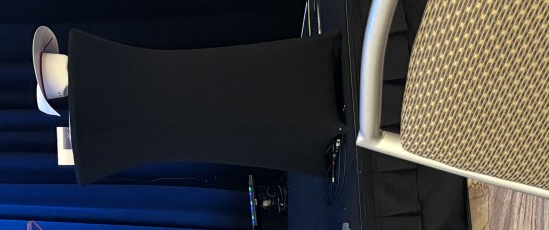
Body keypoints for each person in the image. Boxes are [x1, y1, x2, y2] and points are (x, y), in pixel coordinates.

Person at [32, 25, 344, 185]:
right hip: (189, 78)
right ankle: (313, 80)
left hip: (187, 92)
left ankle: (316, 129)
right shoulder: (95, 61)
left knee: (240, 94)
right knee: (243, 78)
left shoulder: (94, 106)